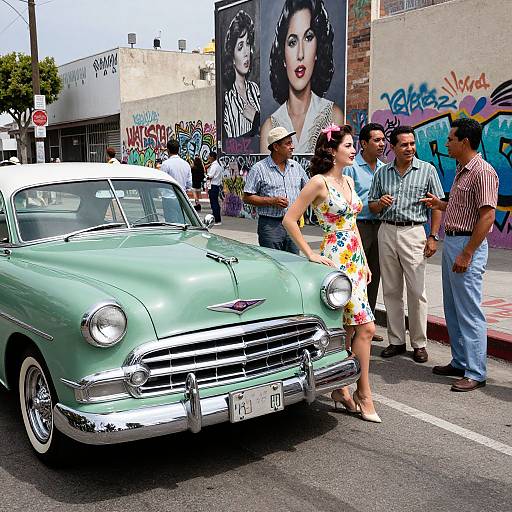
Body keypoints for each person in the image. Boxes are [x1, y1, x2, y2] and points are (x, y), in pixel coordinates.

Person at [282, 123, 380, 422]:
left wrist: (363, 261)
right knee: (367, 328)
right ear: (332, 150)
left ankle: (341, 389)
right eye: (349, 145)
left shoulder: (349, 181)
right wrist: (310, 253)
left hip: (355, 259)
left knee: (351, 330)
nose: (353, 150)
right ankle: (364, 393)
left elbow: (352, 225)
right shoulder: (318, 183)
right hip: (335, 258)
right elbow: (290, 219)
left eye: (353, 145)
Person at [421, 119, 499, 392]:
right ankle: (460, 361)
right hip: (453, 241)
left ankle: (476, 372)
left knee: (469, 310)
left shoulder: (482, 172)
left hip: (468, 244)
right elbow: (462, 207)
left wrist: (467, 253)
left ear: (465, 142)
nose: (446, 143)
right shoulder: (461, 170)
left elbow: (487, 216)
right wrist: (440, 204)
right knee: (453, 307)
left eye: (451, 139)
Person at [368, 126, 444, 363]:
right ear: (393, 148)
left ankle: (419, 343)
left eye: (412, 144)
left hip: (414, 232)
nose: (410, 148)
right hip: (387, 230)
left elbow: (437, 206)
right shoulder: (382, 173)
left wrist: (433, 236)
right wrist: (380, 203)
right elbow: (371, 205)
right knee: (390, 289)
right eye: (404, 144)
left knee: (416, 291)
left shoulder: (427, 170)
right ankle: (397, 341)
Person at [260, 0, 344, 154]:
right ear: (283, 55)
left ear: (318, 49)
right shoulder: (270, 126)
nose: (300, 54)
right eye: (292, 42)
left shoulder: (333, 115)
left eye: (308, 38)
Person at [344, 123, 386, 342]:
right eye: (376, 140)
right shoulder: (350, 167)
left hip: (379, 226)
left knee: (374, 275)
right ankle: (349, 326)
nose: (381, 144)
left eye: (383, 140)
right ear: (363, 143)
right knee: (355, 276)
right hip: (358, 226)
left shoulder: (383, 167)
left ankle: (367, 323)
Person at [244, 126, 309, 254]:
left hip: (292, 224)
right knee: (274, 263)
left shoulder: (296, 167)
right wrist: (271, 201)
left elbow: (308, 189)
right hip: (270, 226)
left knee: (294, 262)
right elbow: (247, 197)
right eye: (288, 143)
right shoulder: (259, 169)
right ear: (276, 147)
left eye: (292, 142)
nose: (292, 146)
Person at [223, 9, 260, 139]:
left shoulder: (256, 90)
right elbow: (232, 143)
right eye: (240, 47)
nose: (246, 52)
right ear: (232, 57)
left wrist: (256, 118)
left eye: (248, 44)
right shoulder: (227, 101)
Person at [206, 151, 223, 225]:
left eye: (209, 156)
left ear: (212, 157)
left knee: (214, 203)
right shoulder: (217, 165)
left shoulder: (214, 166)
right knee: (215, 202)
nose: (207, 158)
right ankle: (216, 218)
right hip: (215, 185)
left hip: (213, 185)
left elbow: (210, 176)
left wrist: (205, 176)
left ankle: (217, 219)